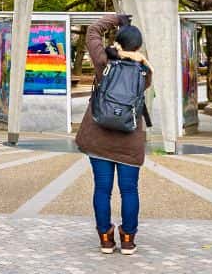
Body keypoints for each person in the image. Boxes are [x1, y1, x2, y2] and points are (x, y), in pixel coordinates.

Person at [76, 14, 153, 255]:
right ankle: (128, 239)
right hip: (129, 140)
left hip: (100, 138)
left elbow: (93, 32)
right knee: (129, 190)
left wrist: (116, 19)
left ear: (118, 41)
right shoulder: (144, 70)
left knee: (102, 189)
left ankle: (105, 239)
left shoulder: (103, 62)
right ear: (138, 46)